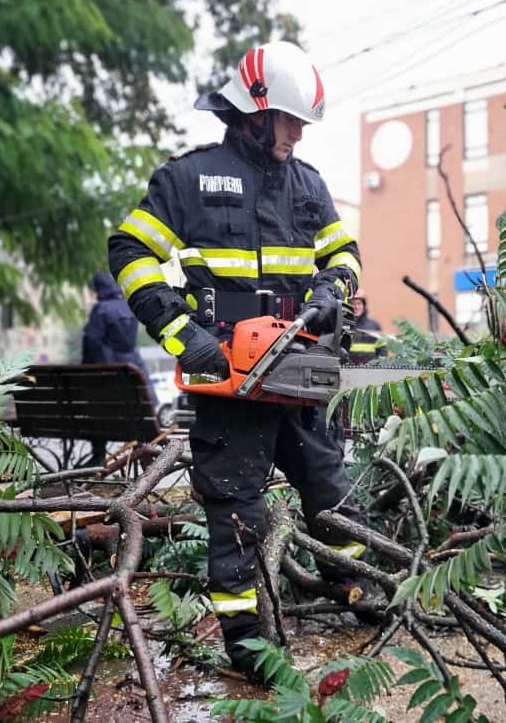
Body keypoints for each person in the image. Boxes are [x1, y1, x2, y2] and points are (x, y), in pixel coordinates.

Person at [108, 41, 366, 680]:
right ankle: (247, 643)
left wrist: (336, 288)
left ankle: (358, 586)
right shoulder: (188, 178)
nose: (300, 132)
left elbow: (345, 253)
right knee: (236, 516)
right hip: (225, 379)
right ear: (257, 109)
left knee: (333, 492)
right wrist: (179, 330)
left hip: (298, 374)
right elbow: (130, 250)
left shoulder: (308, 184)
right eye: (292, 118)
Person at [81, 272, 152, 465]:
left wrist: (87, 367)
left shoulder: (101, 310)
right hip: (131, 378)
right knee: (135, 405)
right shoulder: (129, 308)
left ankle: (98, 455)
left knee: (98, 406)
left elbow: (91, 340)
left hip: (106, 383)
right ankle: (141, 448)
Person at [348, 288, 388, 364]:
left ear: (364, 306)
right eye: (353, 304)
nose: (356, 307)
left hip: (370, 370)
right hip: (347, 370)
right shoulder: (343, 325)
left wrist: (381, 366)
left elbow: (382, 350)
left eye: (359, 303)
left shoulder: (374, 326)